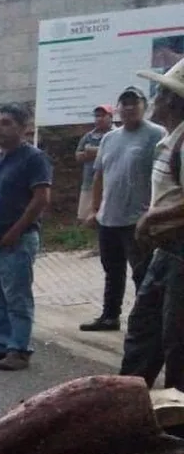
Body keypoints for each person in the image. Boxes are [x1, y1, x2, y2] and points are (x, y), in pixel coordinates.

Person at [0, 104, 52, 372]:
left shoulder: (33, 158)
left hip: (18, 241)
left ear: (23, 128)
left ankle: (19, 349)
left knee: (17, 298)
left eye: (6, 123)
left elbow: (41, 199)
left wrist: (15, 231)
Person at [79, 86, 165, 332]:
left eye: (134, 103)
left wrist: (154, 213)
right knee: (112, 271)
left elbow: (164, 176)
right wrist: (95, 209)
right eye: (124, 103)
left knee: (143, 273)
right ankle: (110, 316)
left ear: (144, 107)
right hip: (109, 218)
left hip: (138, 219)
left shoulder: (157, 134)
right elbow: (99, 176)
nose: (129, 107)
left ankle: (147, 323)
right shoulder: (109, 138)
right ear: (118, 109)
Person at [121, 58, 184, 390]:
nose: (155, 98)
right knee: (143, 333)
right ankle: (127, 405)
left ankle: (177, 424)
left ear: (173, 101)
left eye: (159, 93)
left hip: (180, 257)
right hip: (166, 254)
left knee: (177, 344)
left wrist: (151, 218)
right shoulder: (173, 139)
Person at [76, 105, 113, 222]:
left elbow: (114, 153)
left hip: (109, 184)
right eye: (97, 116)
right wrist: (88, 153)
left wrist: (93, 151)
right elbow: (78, 155)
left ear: (110, 117)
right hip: (88, 182)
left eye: (103, 116)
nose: (99, 119)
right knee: (85, 218)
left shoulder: (115, 134)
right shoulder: (88, 136)